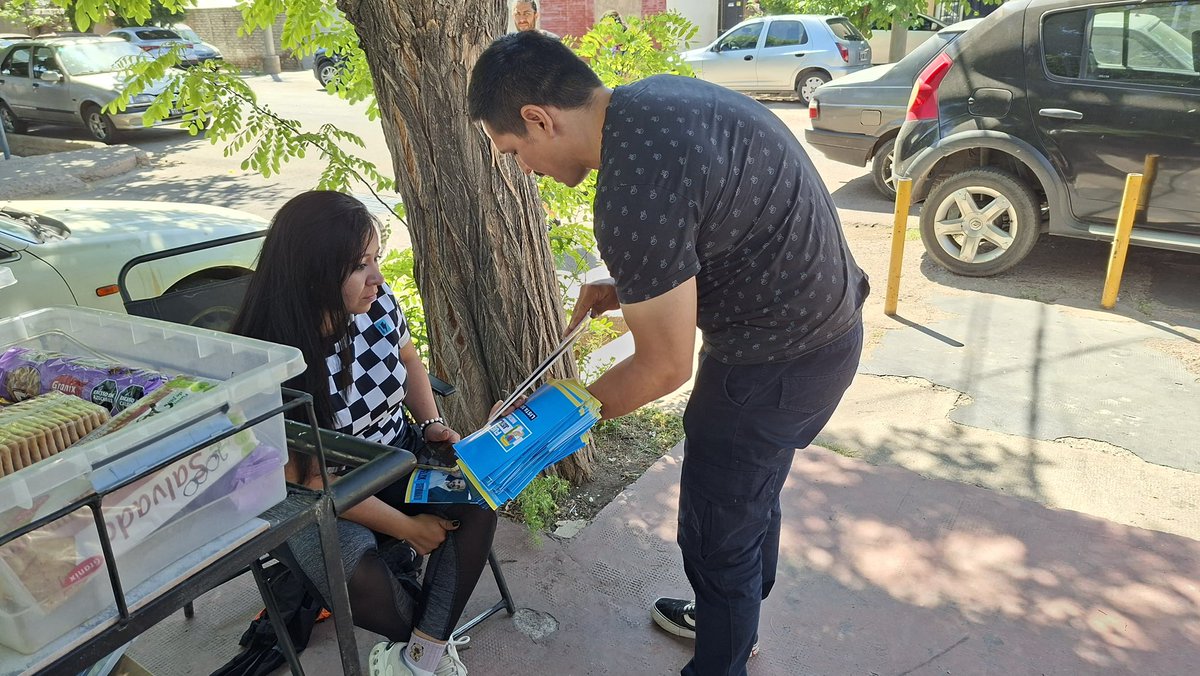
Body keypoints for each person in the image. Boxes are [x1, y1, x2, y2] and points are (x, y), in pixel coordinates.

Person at [467, 32, 869, 676]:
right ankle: (730, 620)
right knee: (750, 494)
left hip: (772, 365)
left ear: (539, 119)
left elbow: (662, 367)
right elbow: (719, 226)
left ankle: (722, 654)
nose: (522, 168)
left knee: (716, 533)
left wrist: (540, 423)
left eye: (514, 151)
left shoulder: (630, 187)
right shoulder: (657, 103)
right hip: (826, 333)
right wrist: (629, 284)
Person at [232, 190, 498, 676]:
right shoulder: (275, 358)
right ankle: (425, 649)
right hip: (316, 499)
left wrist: (433, 422)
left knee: (479, 499)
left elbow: (409, 358)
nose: (377, 278)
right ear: (313, 272)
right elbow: (317, 483)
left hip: (395, 454)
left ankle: (417, 659)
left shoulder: (375, 305)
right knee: (369, 581)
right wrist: (410, 530)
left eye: (375, 258)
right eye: (360, 265)